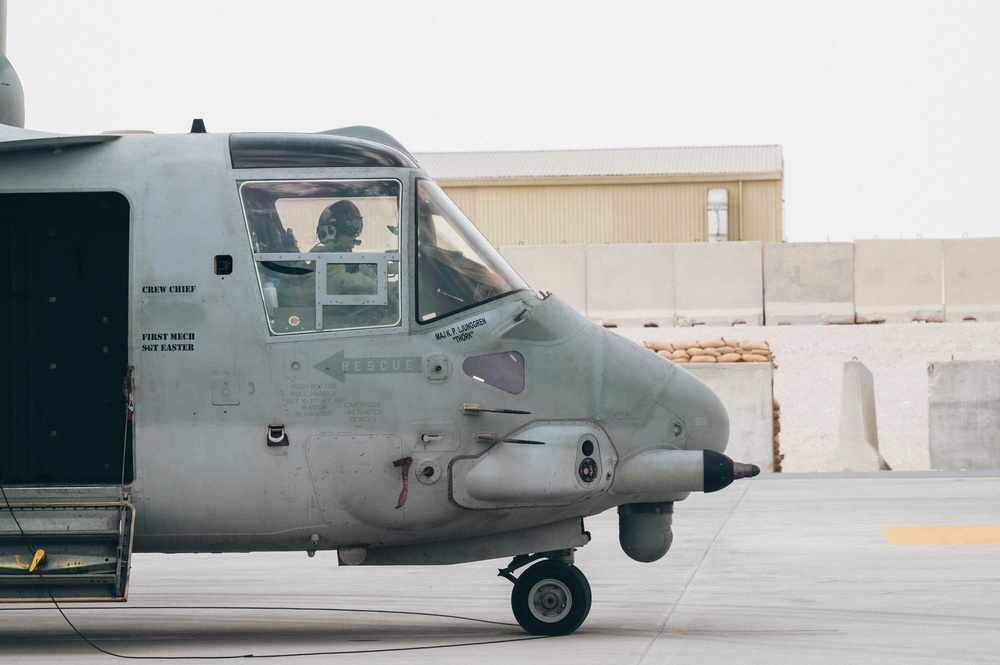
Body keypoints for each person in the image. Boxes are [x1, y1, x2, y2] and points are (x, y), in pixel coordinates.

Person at [311, 200, 397, 327]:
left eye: (357, 227)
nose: (355, 234)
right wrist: (392, 288)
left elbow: (358, 271)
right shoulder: (326, 262)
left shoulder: (342, 258)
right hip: (348, 324)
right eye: (349, 229)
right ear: (331, 231)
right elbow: (356, 284)